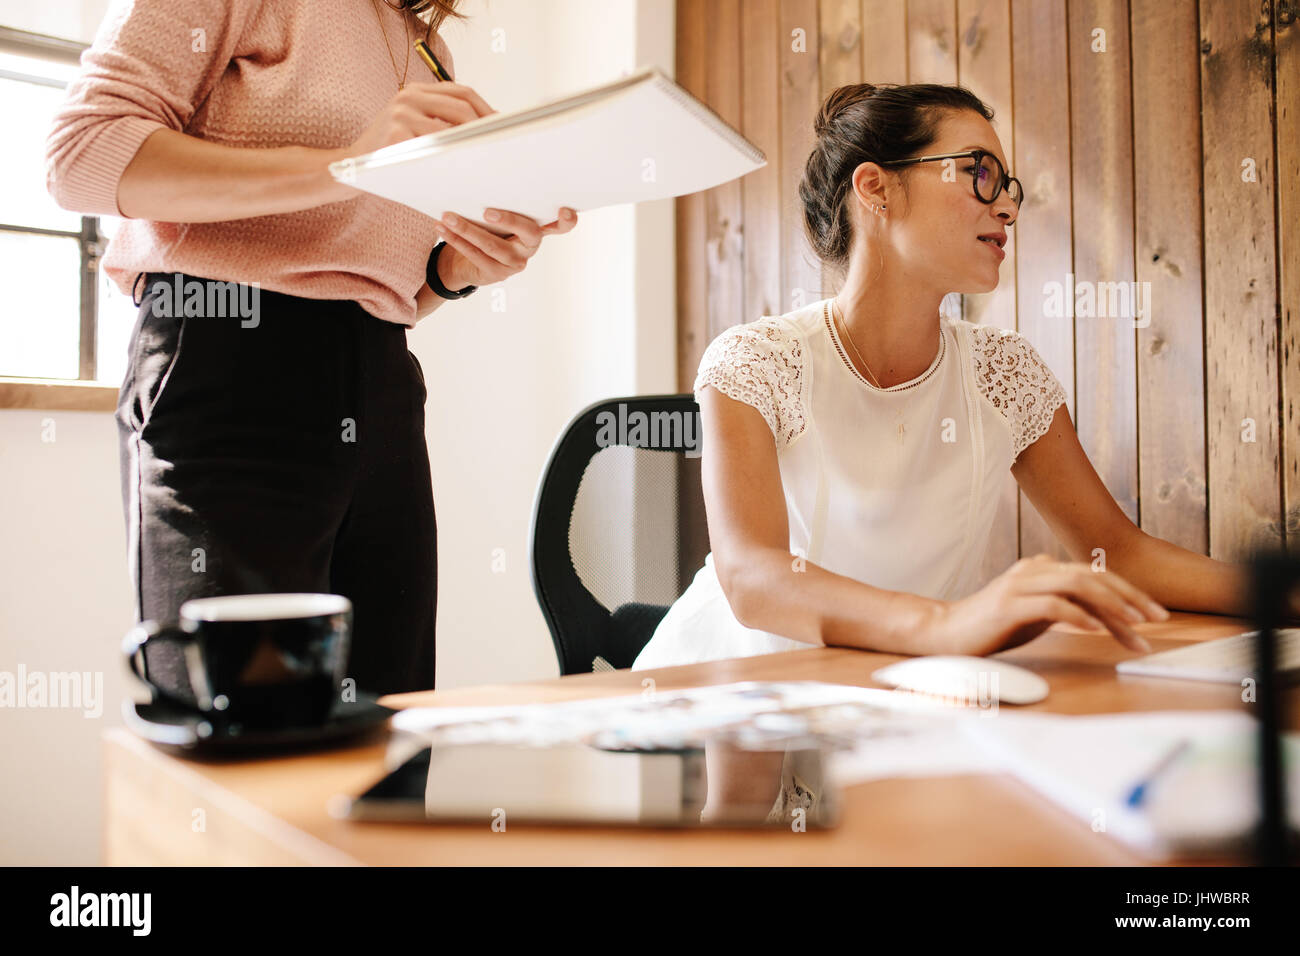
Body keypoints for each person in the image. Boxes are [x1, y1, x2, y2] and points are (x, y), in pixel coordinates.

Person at [45, 0, 577, 699]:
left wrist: (459, 270)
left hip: (381, 388)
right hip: (227, 368)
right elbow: (80, 155)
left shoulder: (422, 48)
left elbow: (384, 286)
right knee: (247, 737)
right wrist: (343, 165)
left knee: (390, 749)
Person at [634, 81, 1262, 672]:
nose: (1010, 206)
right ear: (876, 189)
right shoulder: (754, 361)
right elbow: (754, 579)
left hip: (913, 696)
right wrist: (949, 624)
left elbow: (1118, 554)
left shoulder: (1005, 374)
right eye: (979, 174)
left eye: (1008, 184)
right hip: (731, 707)